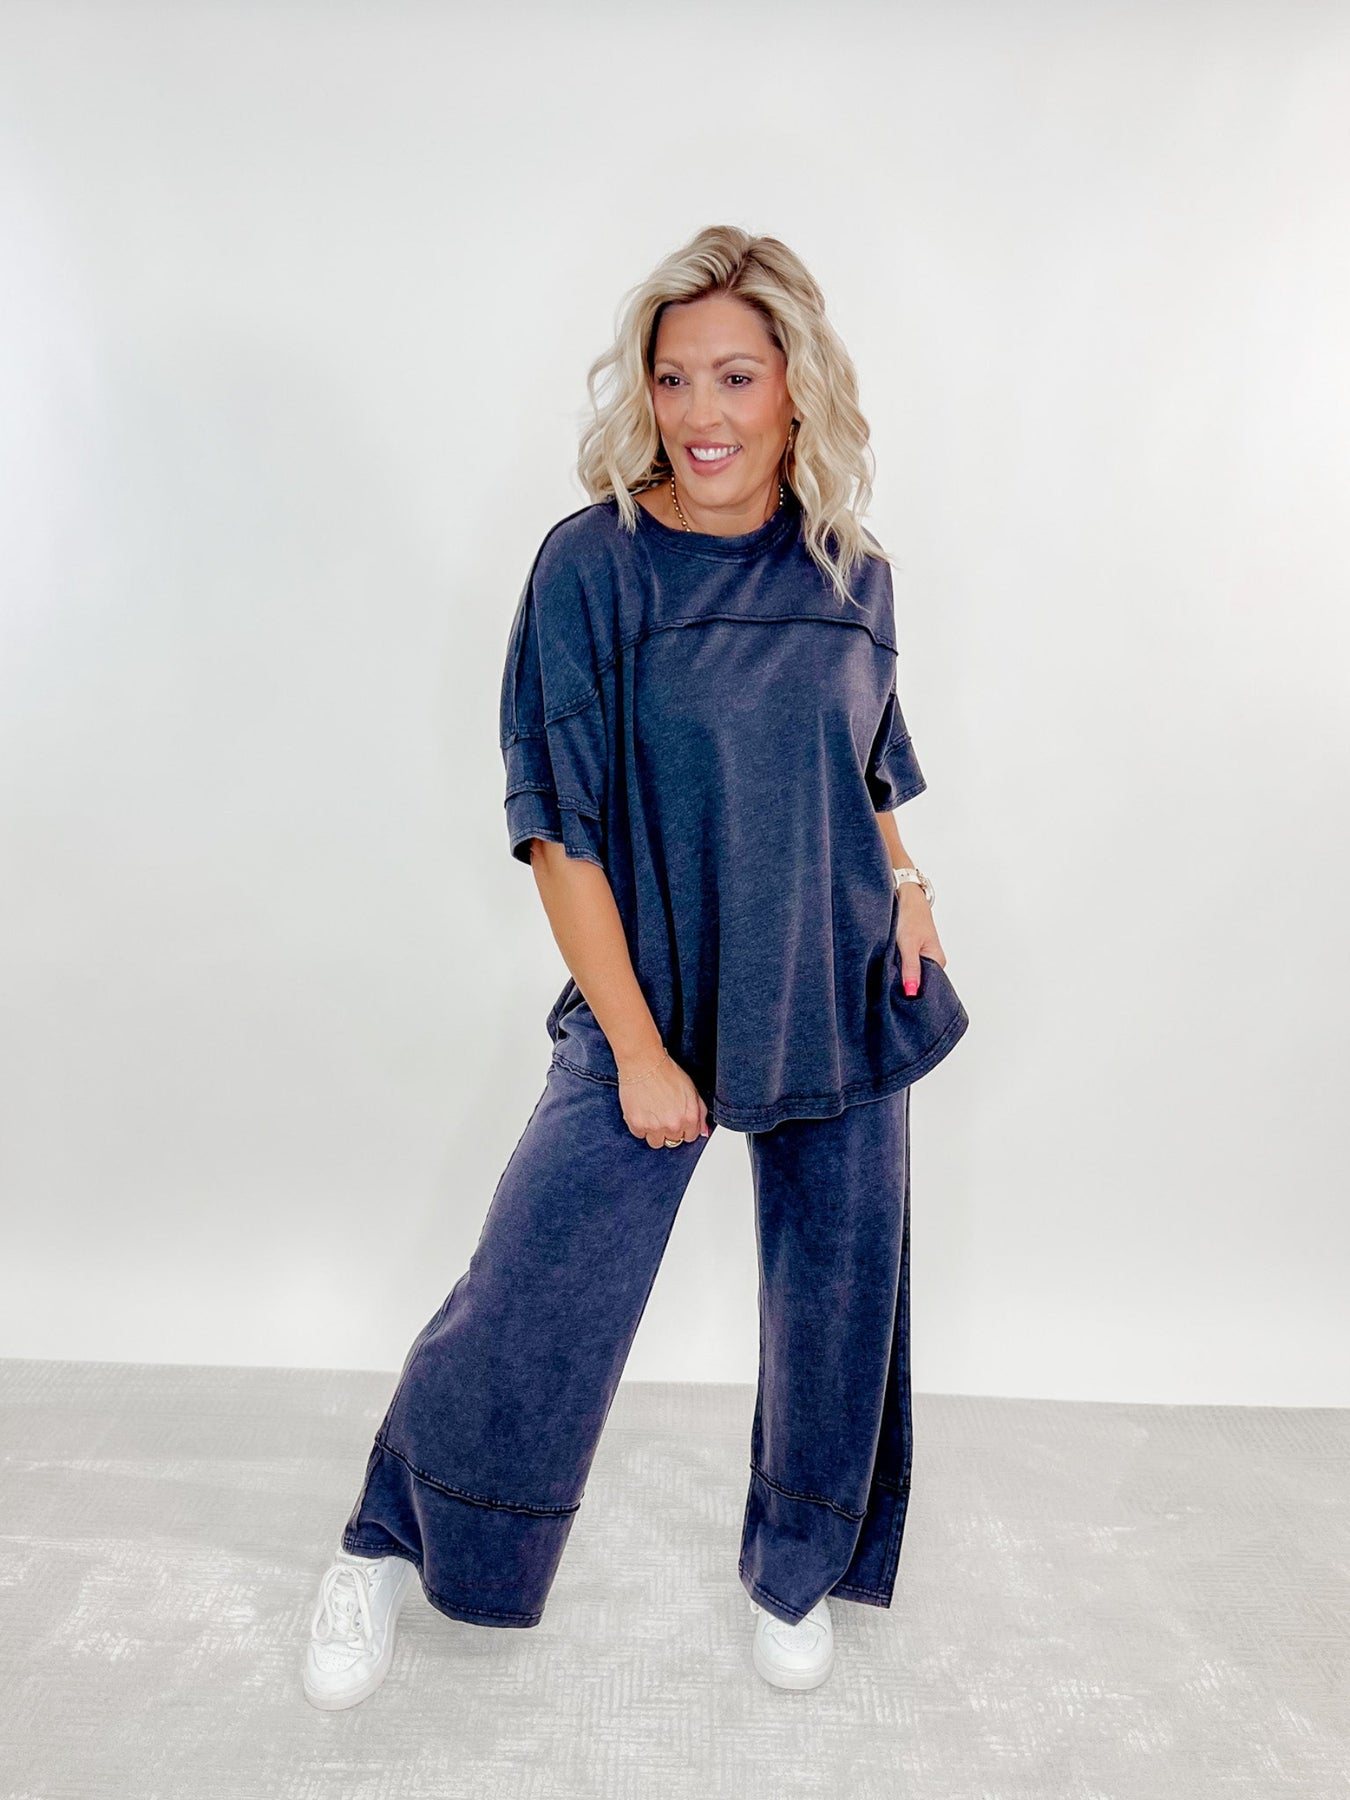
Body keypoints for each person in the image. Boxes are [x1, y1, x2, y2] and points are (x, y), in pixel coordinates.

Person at [302, 225, 969, 1711]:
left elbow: (866, 770)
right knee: (537, 1284)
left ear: (797, 388)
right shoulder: (593, 565)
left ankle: (799, 1569)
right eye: (673, 379)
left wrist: (912, 889)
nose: (700, 413)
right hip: (649, 988)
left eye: (735, 375)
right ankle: (386, 1545)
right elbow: (558, 829)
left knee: (840, 1300)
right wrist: (643, 1050)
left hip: (835, 973)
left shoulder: (854, 573)